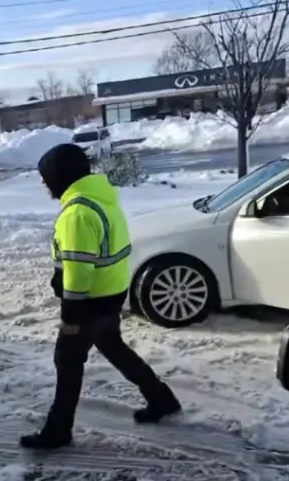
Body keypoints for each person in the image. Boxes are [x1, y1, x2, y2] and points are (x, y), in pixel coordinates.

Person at [21, 143, 181, 450]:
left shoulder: (77, 213)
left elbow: (79, 272)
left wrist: (70, 316)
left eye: (45, 177)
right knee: (113, 347)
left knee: (67, 359)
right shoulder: (102, 199)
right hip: (110, 294)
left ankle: (58, 430)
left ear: (59, 176)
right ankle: (161, 399)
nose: (43, 183)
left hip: (89, 303)